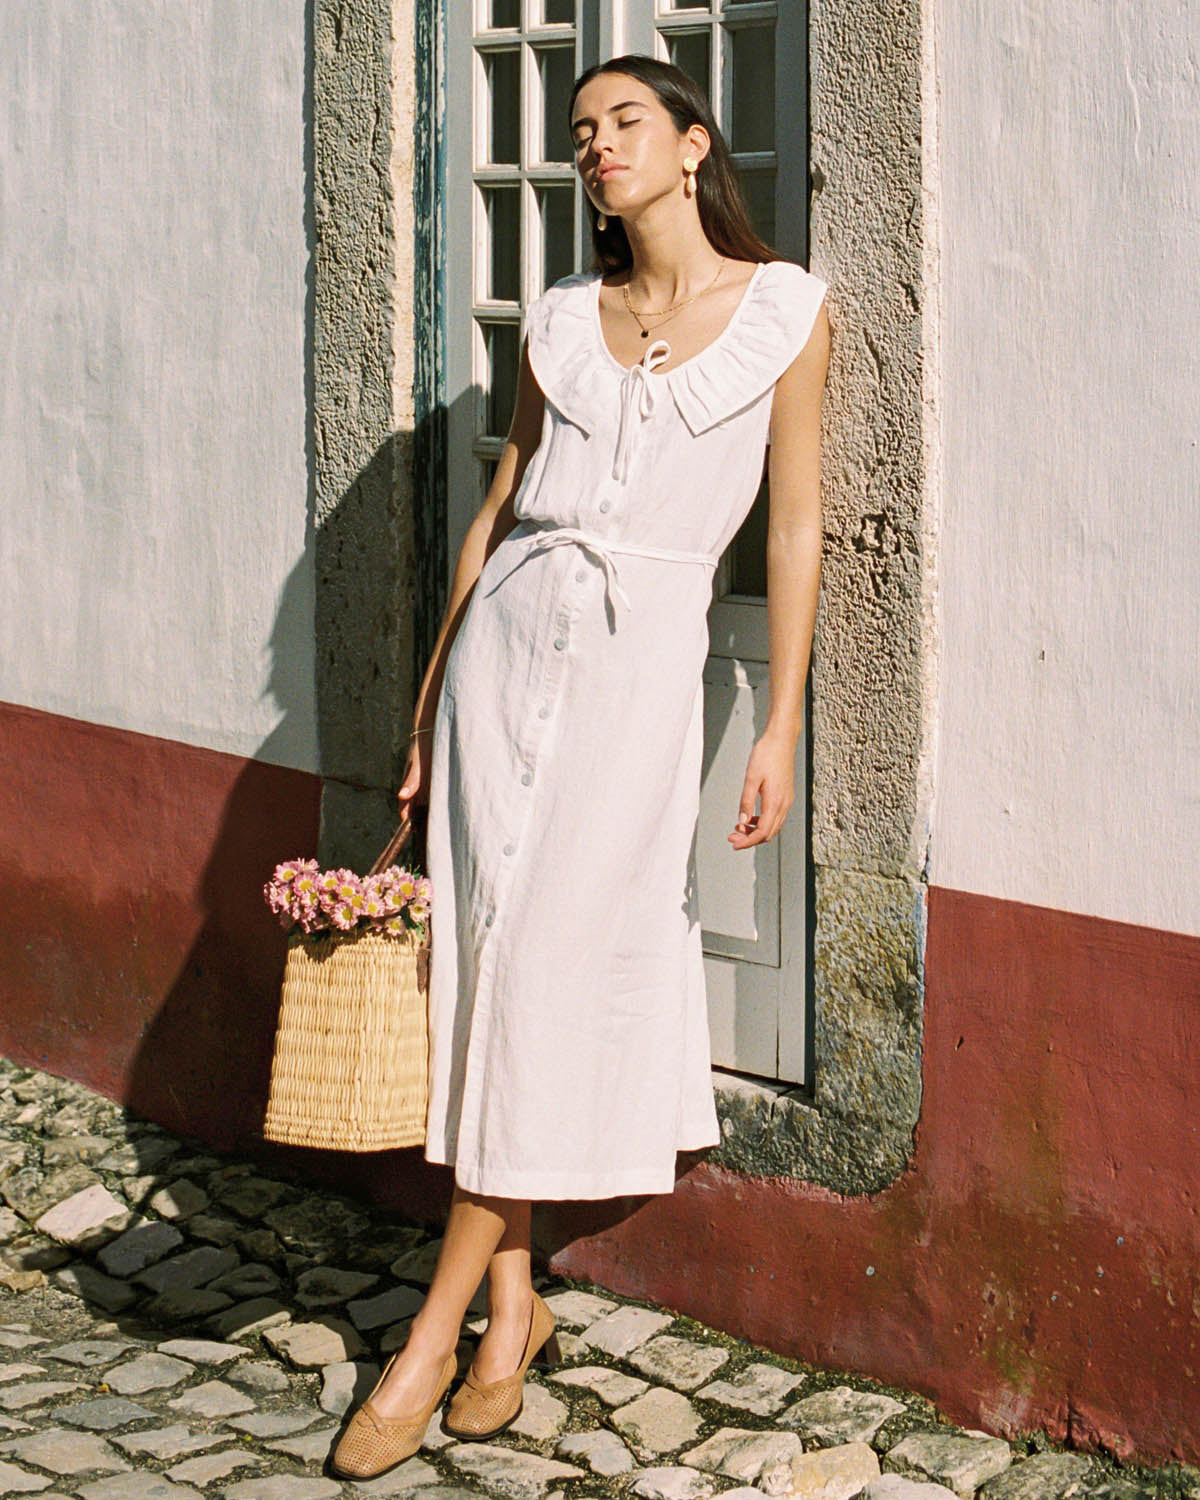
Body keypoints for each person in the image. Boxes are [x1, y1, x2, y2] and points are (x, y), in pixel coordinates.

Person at [330, 53, 830, 1483]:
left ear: (691, 146)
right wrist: (426, 710)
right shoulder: (563, 317)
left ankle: (423, 1337)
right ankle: (505, 1315)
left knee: (549, 963)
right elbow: (497, 505)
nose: (593, 146)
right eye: (577, 132)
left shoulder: (785, 313)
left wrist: (781, 718)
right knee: (492, 963)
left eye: (622, 123)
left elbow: (789, 532)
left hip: (635, 676)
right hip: (502, 655)